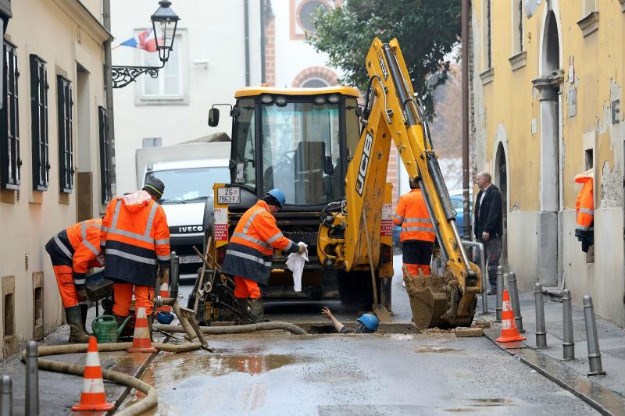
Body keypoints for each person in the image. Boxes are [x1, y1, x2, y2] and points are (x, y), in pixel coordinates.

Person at [221, 188, 306, 324]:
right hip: (247, 257)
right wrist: (297, 248)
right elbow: (276, 239)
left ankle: (241, 319)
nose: (276, 211)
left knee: (242, 289)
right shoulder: (264, 215)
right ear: (273, 204)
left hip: (237, 256)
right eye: (277, 208)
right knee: (256, 289)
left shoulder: (253, 210)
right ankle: (256, 321)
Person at [100, 177, 170, 333]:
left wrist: (105, 253)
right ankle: (143, 338)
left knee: (121, 301)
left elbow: (104, 229)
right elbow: (162, 242)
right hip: (143, 263)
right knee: (144, 301)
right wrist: (164, 265)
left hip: (117, 261)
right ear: (156, 196)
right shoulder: (155, 209)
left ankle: (116, 338)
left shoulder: (116, 203)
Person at [45, 219, 103, 343]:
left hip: (70, 251)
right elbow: (80, 261)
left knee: (80, 295)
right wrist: (81, 287)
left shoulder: (106, 231)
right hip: (61, 251)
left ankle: (80, 331)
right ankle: (77, 333)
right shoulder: (99, 236)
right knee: (70, 292)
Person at [393, 176, 436, 281]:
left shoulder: (405, 198)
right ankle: (424, 291)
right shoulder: (430, 198)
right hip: (428, 239)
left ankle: (414, 293)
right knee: (424, 268)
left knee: (411, 269)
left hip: (411, 239)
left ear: (411, 184)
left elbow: (397, 220)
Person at [473, 171, 503, 295]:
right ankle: (478, 285)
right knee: (478, 261)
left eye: (478, 179)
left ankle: (494, 286)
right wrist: (478, 231)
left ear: (485, 179)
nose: (476, 181)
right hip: (481, 234)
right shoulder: (481, 194)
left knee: (492, 261)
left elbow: (493, 213)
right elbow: (478, 213)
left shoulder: (494, 193)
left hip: (492, 234)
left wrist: (487, 230)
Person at [574, 169, 594, 253]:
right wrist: (581, 230)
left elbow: (581, 206)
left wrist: (581, 229)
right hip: (589, 225)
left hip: (586, 225)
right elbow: (586, 207)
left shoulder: (586, 186)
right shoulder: (590, 183)